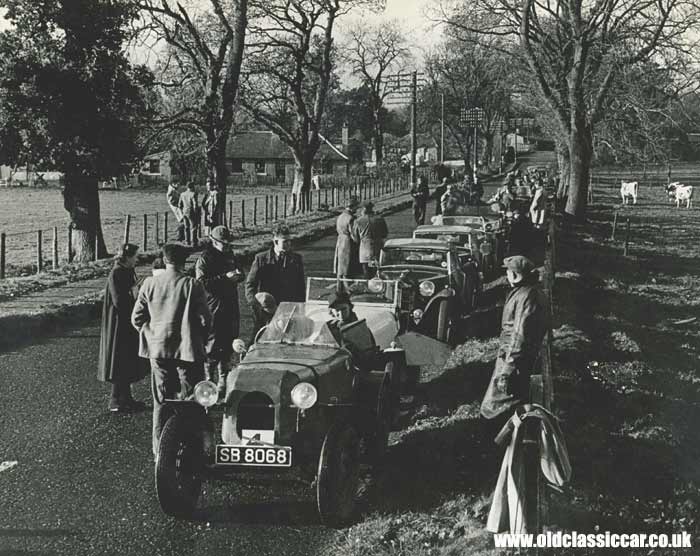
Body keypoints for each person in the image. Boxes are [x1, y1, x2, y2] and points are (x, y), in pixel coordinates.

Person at [131, 243, 212, 460]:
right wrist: (199, 337)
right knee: (190, 398)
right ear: (183, 263)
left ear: (165, 260)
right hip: (187, 351)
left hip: (158, 350)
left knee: (161, 400)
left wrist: (151, 334)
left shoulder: (149, 283)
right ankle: (191, 447)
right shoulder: (192, 285)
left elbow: (136, 318)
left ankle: (160, 451)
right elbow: (205, 319)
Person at [480, 255, 547, 422]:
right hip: (512, 357)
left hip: (513, 360)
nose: (506, 275)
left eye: (509, 272)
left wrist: (507, 370)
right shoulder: (526, 292)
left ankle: (494, 444)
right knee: (501, 407)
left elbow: (520, 335)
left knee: (492, 409)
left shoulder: (527, 296)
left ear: (516, 275)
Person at [98, 243, 148, 412]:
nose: (136, 259)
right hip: (118, 323)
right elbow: (119, 300)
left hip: (126, 321)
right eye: (134, 256)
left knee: (126, 359)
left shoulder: (126, 271)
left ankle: (126, 398)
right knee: (119, 359)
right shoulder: (117, 273)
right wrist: (134, 294)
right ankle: (115, 399)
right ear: (126, 257)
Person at [195, 225, 245, 395]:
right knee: (213, 344)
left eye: (228, 243)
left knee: (229, 341)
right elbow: (201, 283)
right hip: (214, 306)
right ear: (214, 241)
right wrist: (225, 278)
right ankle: (209, 380)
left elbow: (240, 271)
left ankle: (224, 379)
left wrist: (239, 275)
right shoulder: (205, 258)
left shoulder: (230, 254)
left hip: (230, 304)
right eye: (223, 243)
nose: (226, 246)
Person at [245, 224, 306, 322]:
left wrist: (301, 308)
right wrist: (255, 306)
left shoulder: (296, 259)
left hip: (289, 311)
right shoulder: (261, 259)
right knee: (261, 336)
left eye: (289, 241)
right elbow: (250, 285)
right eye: (285, 241)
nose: (289, 244)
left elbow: (301, 287)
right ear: (276, 242)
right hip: (267, 312)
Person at [325, 289, 376, 362]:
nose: (341, 314)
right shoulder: (328, 326)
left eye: (343, 309)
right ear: (331, 311)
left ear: (350, 307)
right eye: (337, 310)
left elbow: (367, 355)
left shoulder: (359, 327)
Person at [352, 201, 388, 278]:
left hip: (365, 248)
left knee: (366, 271)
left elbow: (355, 237)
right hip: (378, 247)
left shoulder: (358, 221)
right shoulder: (380, 219)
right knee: (378, 271)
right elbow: (385, 234)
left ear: (364, 209)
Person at [334, 196, 360, 279]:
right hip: (347, 242)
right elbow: (353, 233)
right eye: (356, 207)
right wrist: (358, 242)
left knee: (340, 264)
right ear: (352, 207)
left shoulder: (340, 216)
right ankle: (347, 287)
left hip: (340, 240)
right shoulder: (351, 218)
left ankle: (339, 287)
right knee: (347, 264)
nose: (357, 209)